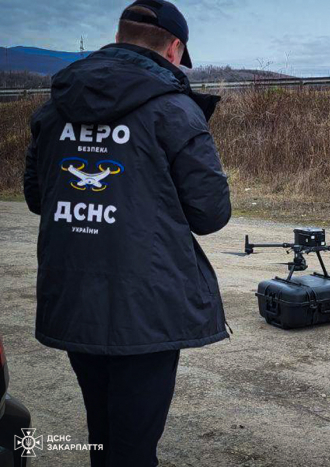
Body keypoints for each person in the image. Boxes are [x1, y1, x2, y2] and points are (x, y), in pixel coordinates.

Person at [23, 1, 231, 465]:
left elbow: (40, 198)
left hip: (73, 295)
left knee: (102, 431)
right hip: (148, 305)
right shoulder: (175, 111)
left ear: (118, 38)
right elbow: (211, 213)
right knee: (135, 446)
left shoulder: (53, 108)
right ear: (174, 48)